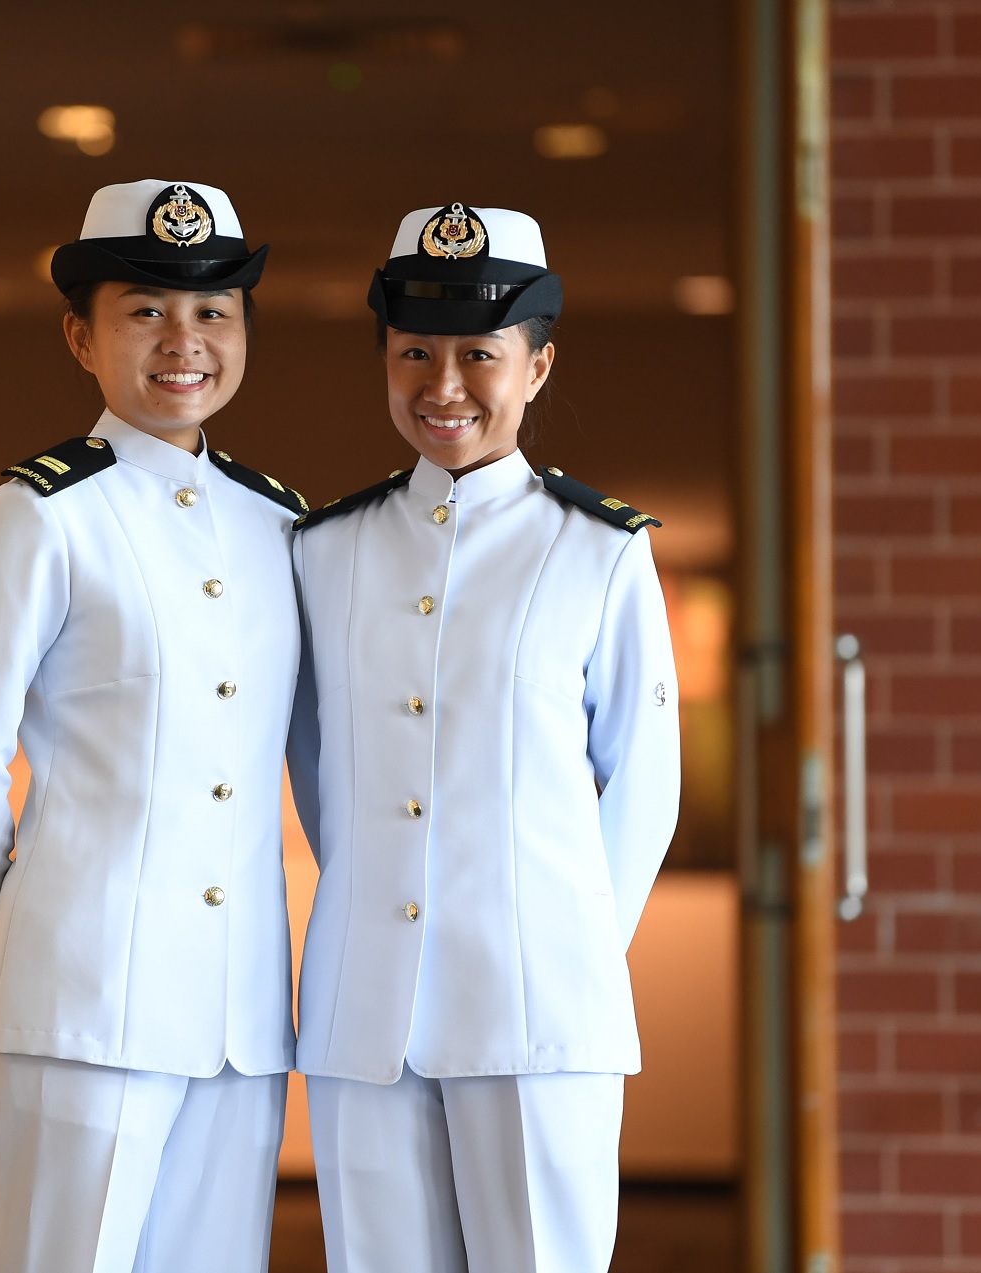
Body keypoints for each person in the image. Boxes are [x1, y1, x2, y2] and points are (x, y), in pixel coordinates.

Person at [0, 179, 307, 1273]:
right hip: (78, 1004)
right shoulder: (41, 513)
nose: (185, 341)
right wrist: (16, 971)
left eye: (214, 310)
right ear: (82, 337)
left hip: (237, 1019)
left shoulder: (278, 521)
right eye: (146, 311)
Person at [287, 202, 681, 1273]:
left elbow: (642, 791)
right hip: (367, 1010)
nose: (444, 385)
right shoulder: (327, 549)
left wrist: (559, 950)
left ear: (538, 366)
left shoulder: (599, 552)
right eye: (415, 352)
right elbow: (319, 769)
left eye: (479, 355)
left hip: (538, 1009)